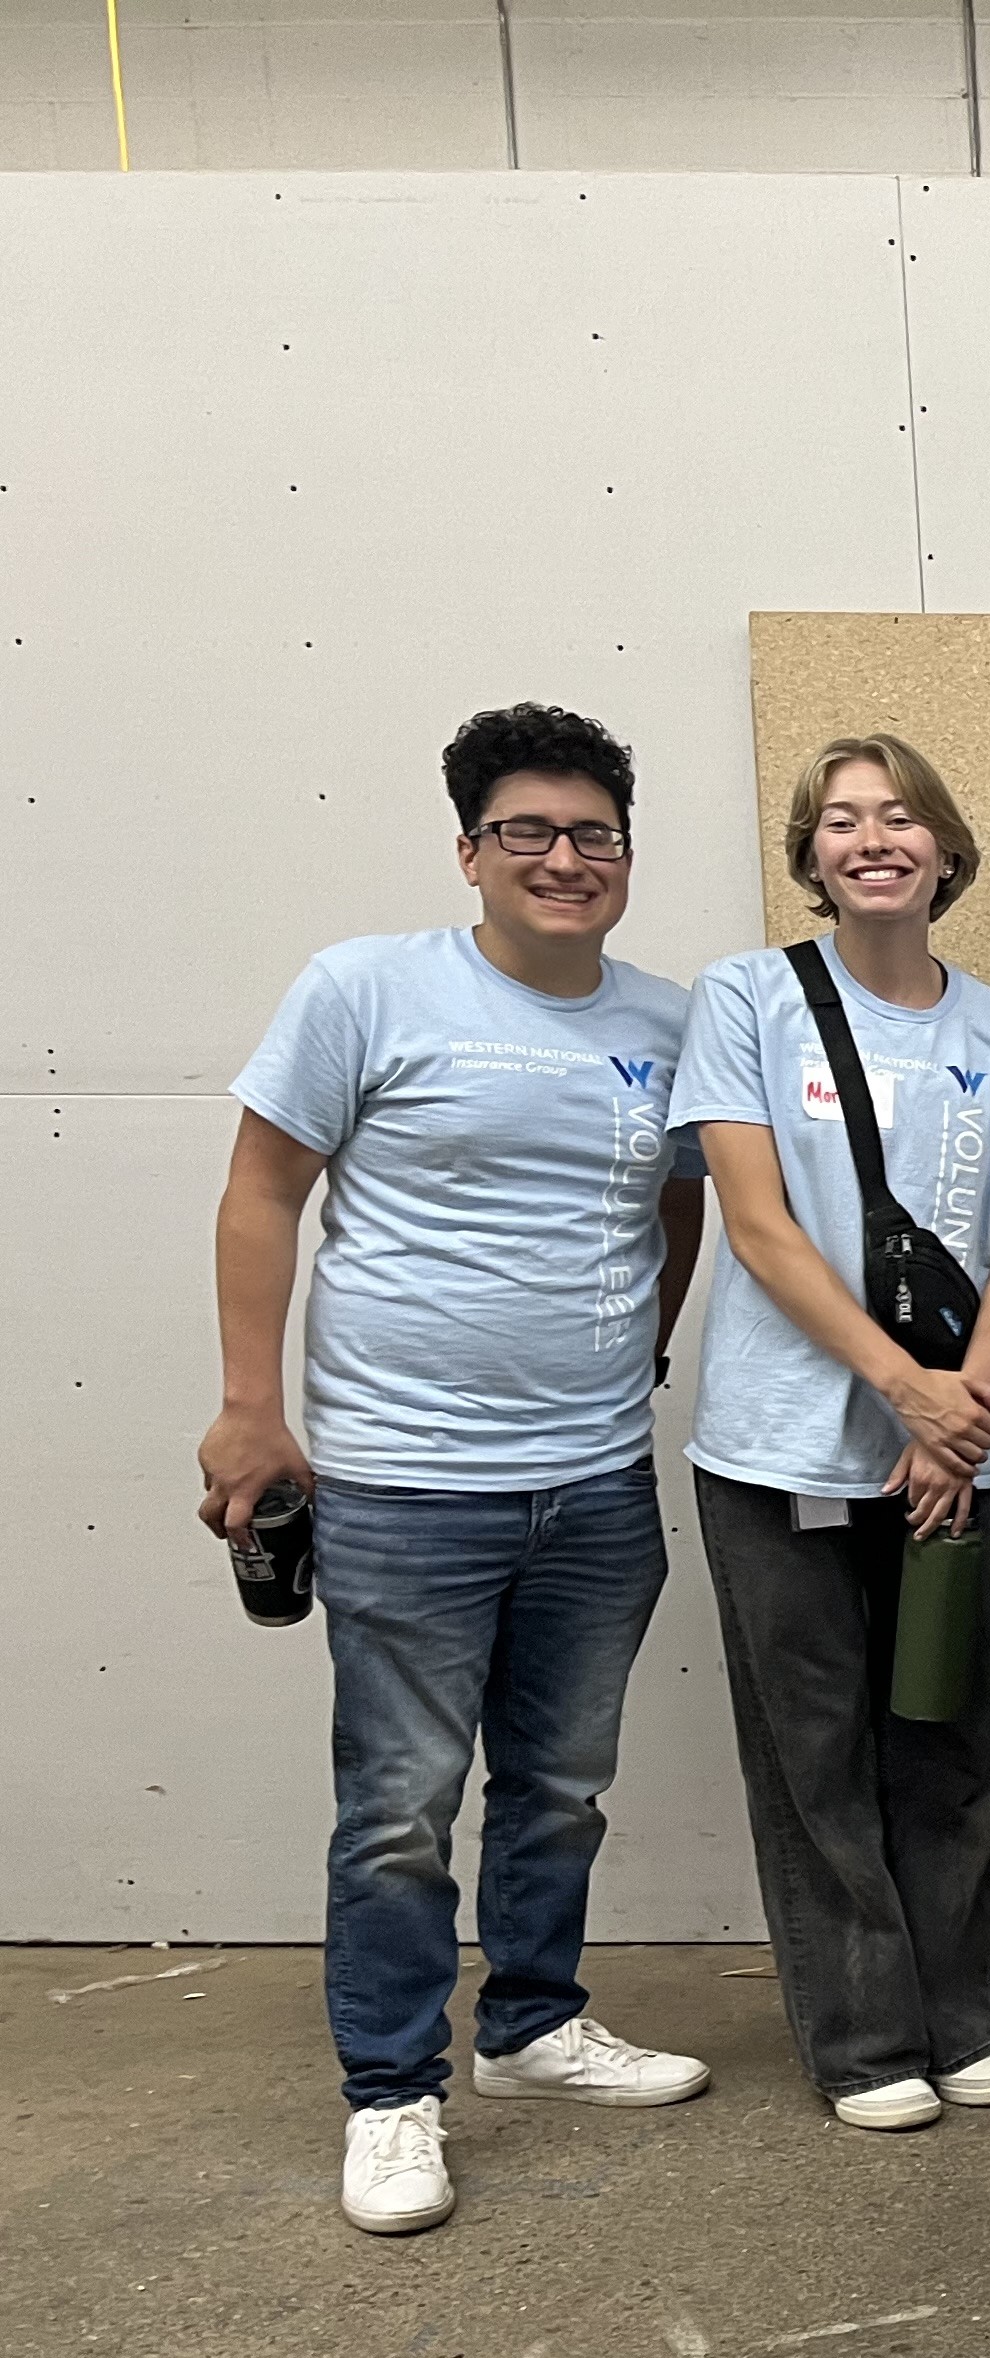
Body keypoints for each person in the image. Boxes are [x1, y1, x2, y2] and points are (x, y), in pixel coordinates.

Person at [198, 702, 715, 2238]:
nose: (566, 860)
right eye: (530, 834)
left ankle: (535, 2025)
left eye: (595, 836)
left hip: (597, 1482)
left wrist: (644, 1356)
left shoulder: (665, 1025)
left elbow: (683, 1206)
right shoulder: (367, 990)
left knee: (559, 1788)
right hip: (405, 1485)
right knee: (402, 1808)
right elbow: (259, 1192)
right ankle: (391, 2091)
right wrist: (247, 1407)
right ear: (472, 852)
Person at [675, 735, 990, 2134]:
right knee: (816, 1749)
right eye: (841, 820)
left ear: (947, 848)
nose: (872, 838)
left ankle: (959, 2018)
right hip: (782, 1449)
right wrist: (904, 1389)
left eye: (901, 814)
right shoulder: (748, 1002)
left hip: (952, 1446)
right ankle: (862, 2040)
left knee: (947, 1741)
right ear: (811, 855)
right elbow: (761, 1230)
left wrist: (953, 1421)